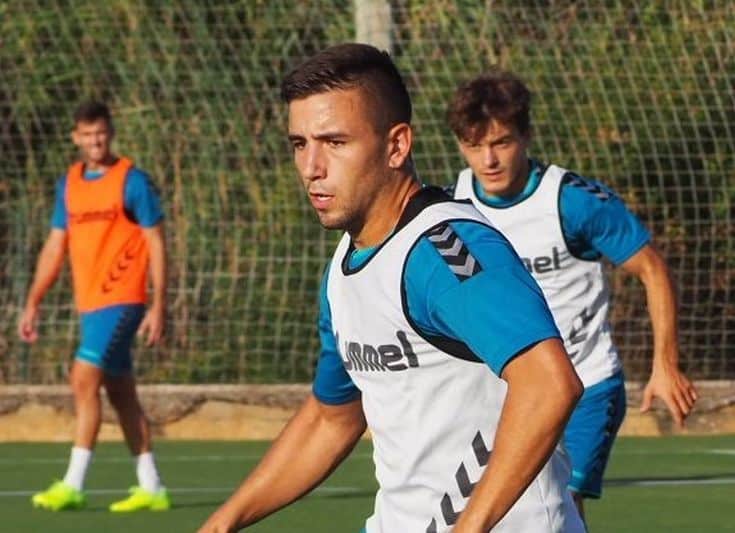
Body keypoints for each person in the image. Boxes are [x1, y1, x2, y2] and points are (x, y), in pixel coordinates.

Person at [198, 43, 585, 533]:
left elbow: (549, 383)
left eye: (335, 143)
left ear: (397, 145)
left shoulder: (447, 252)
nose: (311, 166)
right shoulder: (345, 266)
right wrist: (224, 522)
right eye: (300, 143)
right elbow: (331, 417)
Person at [446, 70, 699, 521]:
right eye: (472, 145)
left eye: (501, 142)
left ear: (526, 135)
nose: (487, 159)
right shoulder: (452, 209)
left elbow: (653, 269)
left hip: (587, 385)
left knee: (564, 510)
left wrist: (665, 364)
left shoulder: (572, 202)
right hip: (508, 394)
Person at [18, 101, 171, 513]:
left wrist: (159, 304)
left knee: (82, 378)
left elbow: (156, 241)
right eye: (86, 135)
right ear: (75, 137)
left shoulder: (132, 181)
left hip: (123, 298)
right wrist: (32, 301)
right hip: (90, 303)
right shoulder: (69, 184)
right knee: (120, 392)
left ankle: (73, 483)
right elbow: (55, 245)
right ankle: (151, 485)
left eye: (100, 133)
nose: (94, 141)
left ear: (110, 132)